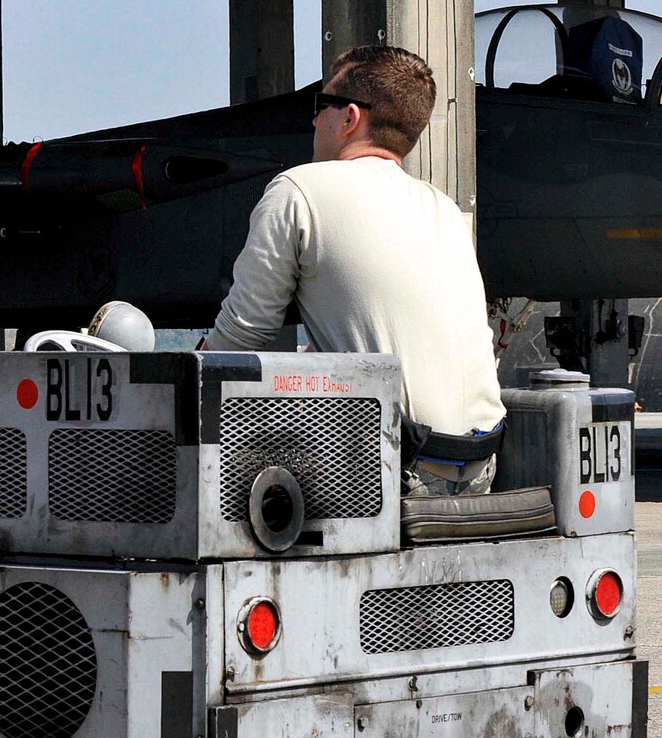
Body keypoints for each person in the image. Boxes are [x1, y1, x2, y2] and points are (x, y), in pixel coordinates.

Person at [205, 45, 506, 495]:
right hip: (479, 465)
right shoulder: (443, 208)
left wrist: (190, 368)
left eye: (320, 105)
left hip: (398, 469)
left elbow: (243, 333)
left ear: (349, 117)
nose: (312, 120)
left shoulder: (299, 188)